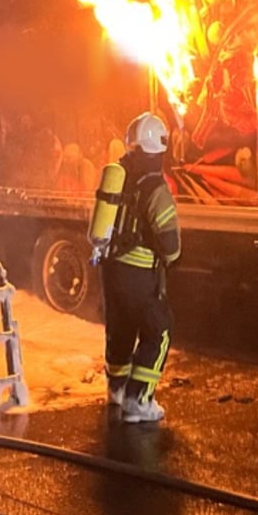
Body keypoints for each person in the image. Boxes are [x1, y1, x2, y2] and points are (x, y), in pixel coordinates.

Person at [100, 111, 182, 424]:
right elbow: (170, 245)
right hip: (139, 275)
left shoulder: (119, 175)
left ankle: (117, 389)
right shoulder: (155, 188)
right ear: (159, 149)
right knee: (159, 331)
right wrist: (173, 260)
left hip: (112, 270)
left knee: (120, 329)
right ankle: (138, 399)